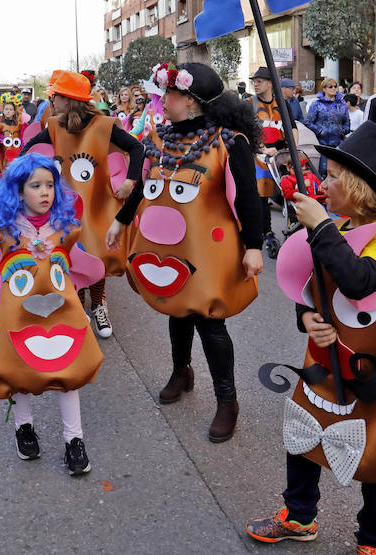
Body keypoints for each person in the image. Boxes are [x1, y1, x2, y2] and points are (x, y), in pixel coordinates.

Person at [249, 121, 376, 555]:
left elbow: (361, 281)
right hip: (324, 354)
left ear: (359, 188)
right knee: (303, 432)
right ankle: (299, 515)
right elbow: (314, 286)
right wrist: (304, 317)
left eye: (333, 175)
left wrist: (318, 227)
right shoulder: (338, 226)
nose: (324, 181)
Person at [111, 62, 264, 443]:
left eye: (170, 93)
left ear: (192, 101)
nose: (163, 99)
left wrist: (256, 246)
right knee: (174, 308)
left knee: (210, 320)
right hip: (165, 247)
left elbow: (249, 197)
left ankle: (227, 401)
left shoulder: (230, 141)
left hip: (208, 250)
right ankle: (182, 371)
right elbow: (145, 185)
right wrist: (120, 220)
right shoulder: (160, 139)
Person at [0, 153, 106, 475]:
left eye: (50, 185)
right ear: (17, 191)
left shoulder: (66, 229)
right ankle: (24, 428)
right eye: (36, 185)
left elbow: (70, 263)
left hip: (60, 309)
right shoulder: (4, 234)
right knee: (20, 369)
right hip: (18, 313)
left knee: (68, 372)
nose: (45, 192)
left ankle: (74, 439)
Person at [21, 70, 145, 339]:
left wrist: (130, 181)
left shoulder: (105, 125)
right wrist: (18, 178)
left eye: (55, 95)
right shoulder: (54, 125)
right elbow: (28, 148)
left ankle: (98, 304)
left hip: (97, 205)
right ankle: (76, 304)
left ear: (69, 99)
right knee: (69, 255)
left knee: (95, 254)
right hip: (63, 207)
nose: (51, 100)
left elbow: (137, 148)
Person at [247, 66, 299, 259]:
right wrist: (261, 149)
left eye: (259, 81)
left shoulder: (282, 104)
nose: (256, 84)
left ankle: (294, 228)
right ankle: (267, 233)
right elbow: (244, 130)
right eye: (254, 81)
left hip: (280, 156)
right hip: (258, 157)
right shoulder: (249, 103)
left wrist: (290, 150)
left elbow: (292, 128)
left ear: (270, 83)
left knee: (292, 190)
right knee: (262, 193)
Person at [306, 77, 350, 179]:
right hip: (323, 144)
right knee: (323, 170)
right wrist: (320, 131)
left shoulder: (342, 103)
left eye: (335, 86)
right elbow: (308, 122)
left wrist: (344, 130)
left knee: (340, 171)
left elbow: (347, 121)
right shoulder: (316, 104)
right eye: (330, 87)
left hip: (339, 143)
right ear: (324, 89)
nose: (334, 88)